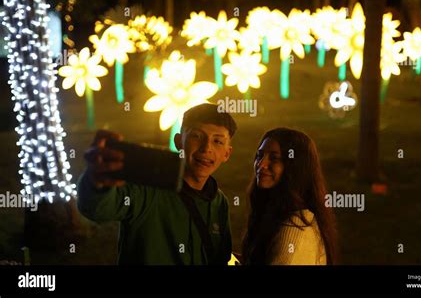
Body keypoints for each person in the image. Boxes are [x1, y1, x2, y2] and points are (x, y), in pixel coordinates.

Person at [77, 103, 237, 265]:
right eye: (196, 136)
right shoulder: (147, 188)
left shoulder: (219, 202)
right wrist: (96, 182)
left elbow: (222, 257)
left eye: (218, 141)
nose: (206, 148)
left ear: (227, 153)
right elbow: (99, 208)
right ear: (178, 141)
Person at [241, 128, 338, 265]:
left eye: (274, 158)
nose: (261, 164)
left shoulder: (294, 229)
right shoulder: (274, 211)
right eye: (259, 155)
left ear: (295, 167)